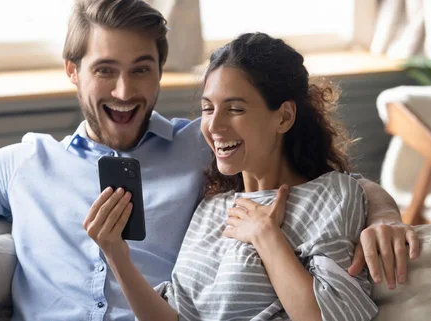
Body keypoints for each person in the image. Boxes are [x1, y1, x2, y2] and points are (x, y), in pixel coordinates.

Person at [0, 0, 417, 321]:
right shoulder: (23, 163)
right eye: (105, 71)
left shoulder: (204, 142)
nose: (125, 92)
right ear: (73, 72)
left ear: (159, 72)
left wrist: (385, 214)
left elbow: (320, 180)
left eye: (141, 70)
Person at [85, 32, 379, 321]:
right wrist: (117, 255)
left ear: (284, 117)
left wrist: (266, 236)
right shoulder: (210, 208)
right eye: (207, 108)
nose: (214, 125)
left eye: (235, 109)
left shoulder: (332, 194)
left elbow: (333, 316)